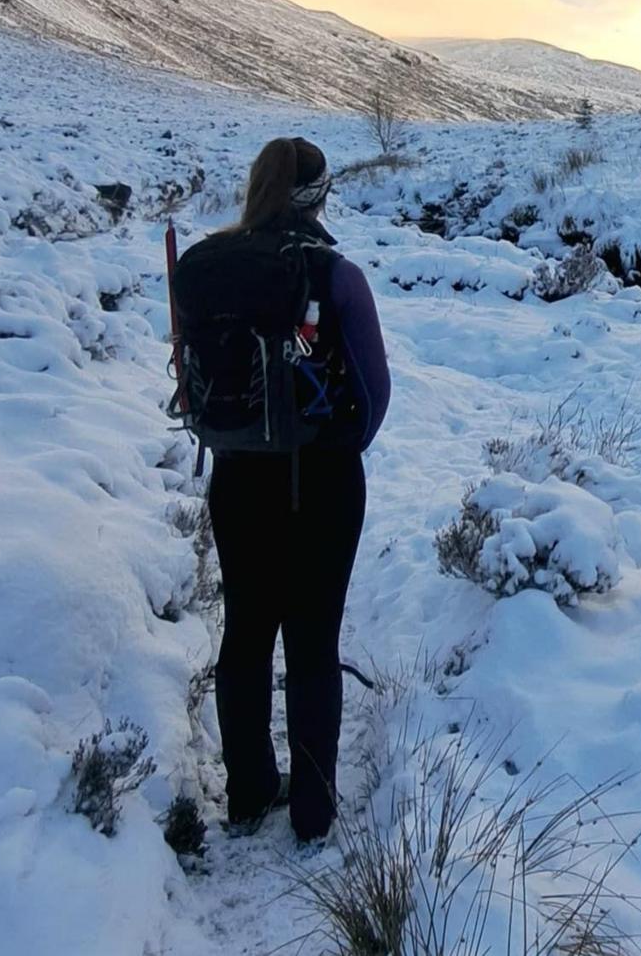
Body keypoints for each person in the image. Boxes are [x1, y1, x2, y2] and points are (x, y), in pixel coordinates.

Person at [205, 137, 389, 840]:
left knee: (245, 632)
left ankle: (249, 793)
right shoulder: (338, 276)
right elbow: (374, 396)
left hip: (237, 480)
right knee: (314, 641)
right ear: (318, 196)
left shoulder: (210, 266)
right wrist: (339, 446)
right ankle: (313, 811)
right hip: (323, 482)